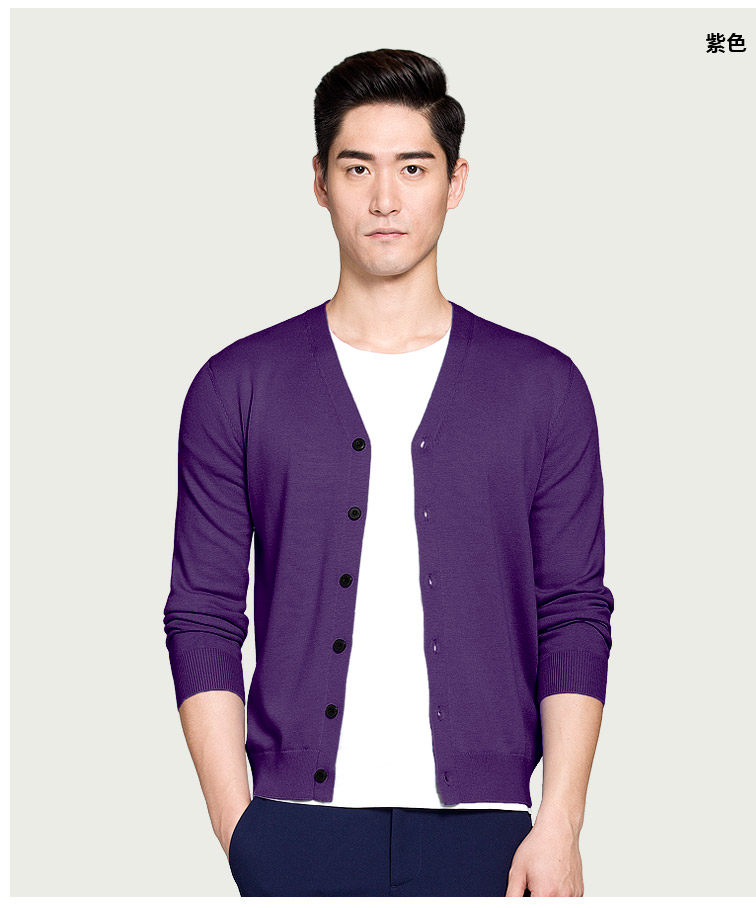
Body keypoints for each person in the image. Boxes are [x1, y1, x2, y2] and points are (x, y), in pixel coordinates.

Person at [163, 47, 614, 898]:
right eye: (357, 167)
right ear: (320, 181)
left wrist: (560, 821)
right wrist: (239, 827)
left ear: (455, 181)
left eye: (413, 167)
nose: (384, 198)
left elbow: (573, 612)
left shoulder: (543, 388)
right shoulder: (237, 386)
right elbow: (203, 614)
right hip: (294, 824)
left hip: (493, 833)